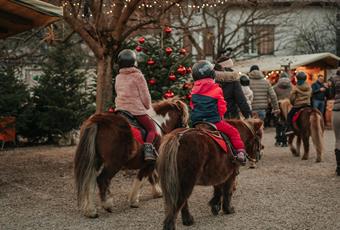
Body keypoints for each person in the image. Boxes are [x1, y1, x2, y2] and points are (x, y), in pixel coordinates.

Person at [190, 60, 246, 165]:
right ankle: (240, 153)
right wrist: (220, 115)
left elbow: (192, 106)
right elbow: (222, 107)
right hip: (214, 121)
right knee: (233, 132)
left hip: (196, 122)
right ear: (212, 74)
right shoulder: (216, 88)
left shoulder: (193, 90)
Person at [114, 49, 157, 162]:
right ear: (134, 62)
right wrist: (148, 106)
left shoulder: (118, 77)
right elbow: (145, 97)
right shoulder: (138, 76)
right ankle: (148, 150)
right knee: (152, 129)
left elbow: (117, 93)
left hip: (121, 110)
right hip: (135, 110)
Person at [273, 72, 292, 147]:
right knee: (286, 123)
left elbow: (272, 97)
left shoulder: (275, 87)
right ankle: (285, 141)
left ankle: (278, 140)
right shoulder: (292, 86)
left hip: (278, 106)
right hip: (288, 107)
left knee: (278, 124)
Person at [329, 68, 340, 176]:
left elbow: (331, 94)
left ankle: (339, 167)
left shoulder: (334, 79)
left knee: (338, 139)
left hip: (337, 110)